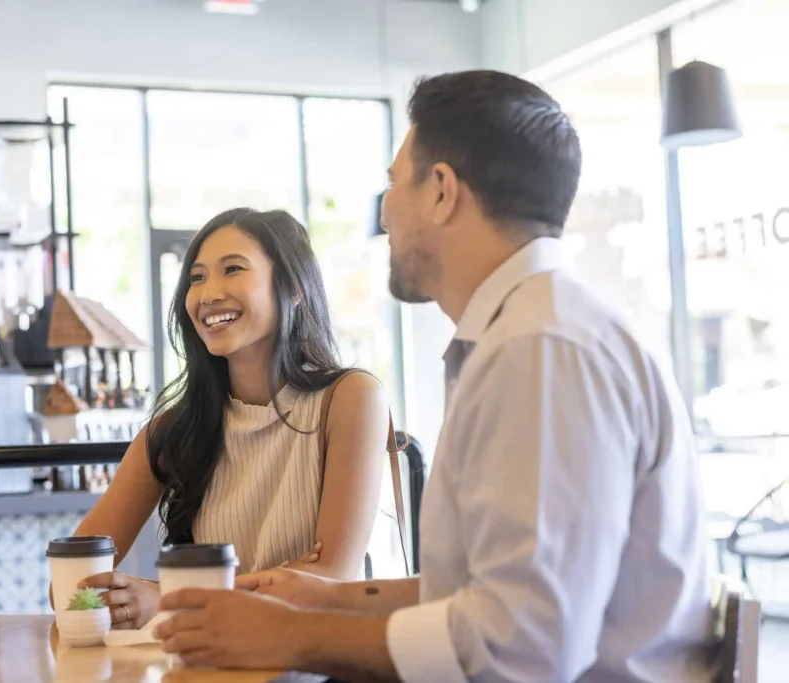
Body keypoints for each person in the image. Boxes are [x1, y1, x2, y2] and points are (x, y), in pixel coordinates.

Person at [152, 71, 714, 682]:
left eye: (395, 183)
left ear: (442, 190)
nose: (386, 212)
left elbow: (520, 645)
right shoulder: (531, 331)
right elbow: (495, 593)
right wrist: (320, 599)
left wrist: (288, 635)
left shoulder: (540, 349)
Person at [70, 207, 391, 630]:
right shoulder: (173, 430)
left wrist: (169, 597)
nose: (207, 294)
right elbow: (74, 584)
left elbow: (331, 579)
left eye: (233, 269)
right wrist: (285, 574)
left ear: (294, 287)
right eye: (197, 277)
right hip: (210, 660)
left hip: (318, 661)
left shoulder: (350, 398)